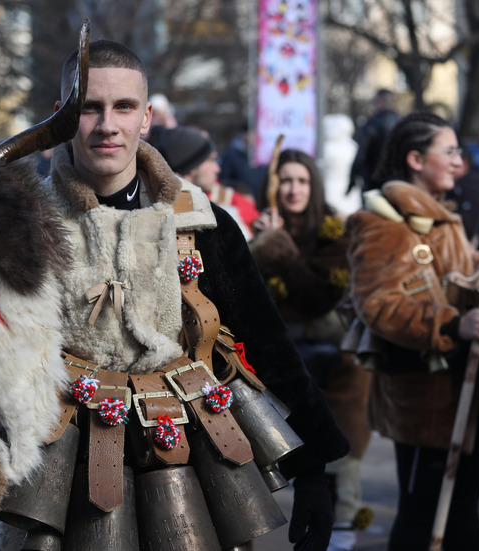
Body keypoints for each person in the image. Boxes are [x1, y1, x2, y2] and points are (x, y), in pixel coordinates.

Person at [40, 38, 348, 551]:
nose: (107, 124)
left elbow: (268, 345)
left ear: (147, 117)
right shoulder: (16, 225)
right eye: (88, 107)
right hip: (61, 478)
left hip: (192, 471)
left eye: (124, 107)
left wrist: (314, 470)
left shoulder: (204, 224)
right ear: (61, 116)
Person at [345, 112, 479, 551]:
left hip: (468, 395)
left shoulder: (444, 217)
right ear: (416, 159)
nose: (460, 161)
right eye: (450, 152)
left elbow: (457, 273)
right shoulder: (383, 222)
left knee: (463, 517)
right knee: (425, 522)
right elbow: (379, 305)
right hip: (425, 404)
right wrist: (455, 324)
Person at [250, 149, 372, 551]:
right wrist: (258, 246)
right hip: (282, 357)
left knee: (339, 449)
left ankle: (343, 530)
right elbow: (253, 299)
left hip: (337, 363)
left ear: (314, 186)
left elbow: (321, 294)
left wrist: (278, 250)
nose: (293, 189)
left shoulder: (334, 229)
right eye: (285, 180)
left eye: (301, 181)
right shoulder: (264, 226)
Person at [153, 124, 260, 239]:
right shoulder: (157, 214)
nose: (217, 168)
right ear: (191, 169)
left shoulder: (228, 200)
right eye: (210, 160)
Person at [348, 90, 400, 198]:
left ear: (379, 102)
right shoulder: (403, 123)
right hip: (397, 184)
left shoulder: (371, 124)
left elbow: (361, 153)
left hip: (372, 183)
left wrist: (352, 179)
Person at [446, 147, 479, 244]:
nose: (453, 165)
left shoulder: (472, 186)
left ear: (465, 165)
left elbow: (468, 228)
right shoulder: (459, 184)